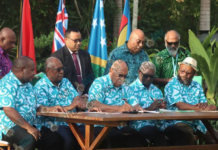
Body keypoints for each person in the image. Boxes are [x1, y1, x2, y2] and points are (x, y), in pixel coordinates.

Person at [0, 56, 62, 150]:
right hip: (9, 127)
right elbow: (9, 110)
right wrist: (28, 127)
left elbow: (36, 106)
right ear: (23, 69)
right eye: (32, 70)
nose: (34, 73)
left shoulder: (28, 84)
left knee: (54, 138)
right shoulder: (7, 83)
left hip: (29, 124)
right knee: (29, 139)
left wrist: (50, 109)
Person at [129, 61, 190, 146]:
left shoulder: (156, 90)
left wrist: (163, 108)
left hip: (160, 124)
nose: (149, 79)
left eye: (152, 77)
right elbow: (130, 112)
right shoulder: (130, 90)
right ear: (139, 72)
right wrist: (150, 108)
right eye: (146, 76)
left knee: (181, 135)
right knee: (159, 138)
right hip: (141, 124)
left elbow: (163, 111)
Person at [87, 60, 146, 148]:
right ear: (111, 70)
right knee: (115, 139)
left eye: (125, 76)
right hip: (101, 125)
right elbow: (93, 104)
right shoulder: (100, 83)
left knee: (139, 140)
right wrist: (119, 108)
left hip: (120, 126)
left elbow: (135, 104)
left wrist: (135, 108)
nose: (122, 79)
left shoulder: (125, 87)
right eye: (120, 75)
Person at [34, 57, 88, 150]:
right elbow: (41, 109)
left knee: (91, 137)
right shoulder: (41, 86)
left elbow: (76, 97)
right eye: (58, 69)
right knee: (69, 141)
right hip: (53, 125)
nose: (62, 72)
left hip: (74, 122)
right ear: (48, 71)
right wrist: (69, 107)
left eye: (63, 68)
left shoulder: (65, 82)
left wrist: (80, 101)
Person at [165, 57, 217, 144]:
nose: (184, 75)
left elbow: (203, 102)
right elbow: (180, 105)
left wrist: (208, 106)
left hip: (198, 121)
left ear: (194, 74)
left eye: (188, 73)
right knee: (187, 136)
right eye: (182, 71)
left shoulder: (197, 85)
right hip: (179, 120)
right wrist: (201, 109)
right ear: (178, 70)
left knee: (215, 137)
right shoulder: (172, 84)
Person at [51, 27, 94, 95]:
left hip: (84, 97)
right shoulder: (57, 57)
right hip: (66, 97)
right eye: (75, 40)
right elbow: (56, 80)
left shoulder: (85, 55)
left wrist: (86, 94)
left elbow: (90, 76)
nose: (79, 43)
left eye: (80, 40)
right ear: (66, 40)